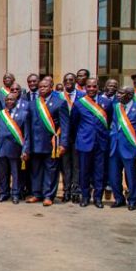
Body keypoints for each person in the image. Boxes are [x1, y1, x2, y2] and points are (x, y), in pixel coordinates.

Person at [26, 79, 70, 207]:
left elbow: (65, 125)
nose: (42, 88)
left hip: (52, 144)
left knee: (51, 170)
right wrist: (27, 145)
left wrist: (63, 143)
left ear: (51, 87)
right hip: (35, 143)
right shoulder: (33, 104)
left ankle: (48, 195)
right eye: (40, 87)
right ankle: (36, 194)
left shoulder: (60, 103)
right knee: (36, 170)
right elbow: (28, 126)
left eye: (45, 86)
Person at [71, 78, 112, 208]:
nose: (91, 89)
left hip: (101, 142)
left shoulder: (106, 102)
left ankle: (98, 198)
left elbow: (109, 121)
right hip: (85, 142)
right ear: (85, 88)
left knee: (99, 171)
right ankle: (85, 197)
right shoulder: (79, 104)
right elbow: (74, 123)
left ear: (98, 87)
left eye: (94, 86)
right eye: (89, 87)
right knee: (84, 171)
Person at [109, 86, 136, 210]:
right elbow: (114, 123)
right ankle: (119, 199)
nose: (117, 95)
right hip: (115, 147)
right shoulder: (116, 107)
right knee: (114, 176)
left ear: (130, 95)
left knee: (132, 176)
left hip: (130, 147)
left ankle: (132, 200)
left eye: (121, 93)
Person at [0, 93, 30, 204]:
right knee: (2, 173)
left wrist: (25, 150)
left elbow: (26, 134)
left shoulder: (24, 114)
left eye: (12, 99)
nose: (10, 101)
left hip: (15, 149)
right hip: (1, 148)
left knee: (15, 173)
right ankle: (3, 193)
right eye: (7, 99)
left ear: (16, 100)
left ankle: (15, 194)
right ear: (4, 101)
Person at [59, 73, 84, 203]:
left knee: (76, 165)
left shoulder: (83, 96)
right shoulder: (58, 96)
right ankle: (66, 190)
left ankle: (76, 190)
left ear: (75, 81)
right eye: (66, 80)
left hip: (78, 136)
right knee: (65, 166)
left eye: (71, 80)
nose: (68, 82)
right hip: (63, 137)